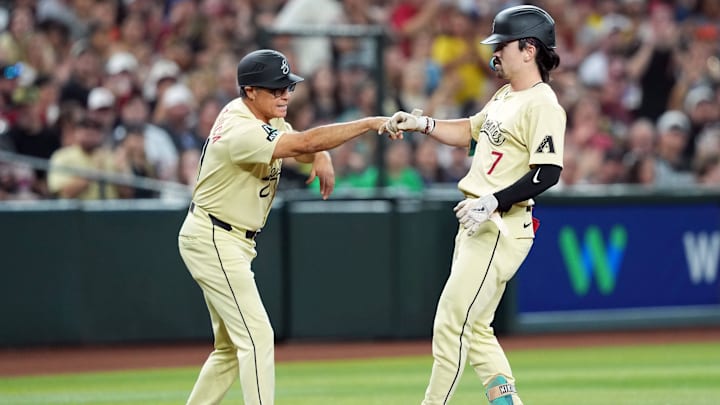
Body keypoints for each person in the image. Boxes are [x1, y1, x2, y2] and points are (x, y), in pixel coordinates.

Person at [177, 49, 389, 405]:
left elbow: (302, 148)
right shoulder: (239, 128)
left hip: (228, 237)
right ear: (250, 91)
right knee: (258, 337)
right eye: (275, 88)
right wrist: (368, 124)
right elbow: (303, 143)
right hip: (214, 236)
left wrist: (320, 155)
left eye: (287, 86)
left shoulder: (264, 116)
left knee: (230, 349)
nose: (285, 94)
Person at [383, 5, 565, 404]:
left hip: (499, 225)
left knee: (451, 322)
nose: (495, 52)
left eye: (502, 44)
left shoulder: (543, 103)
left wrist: (493, 202)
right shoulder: (505, 96)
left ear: (529, 49)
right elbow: (469, 130)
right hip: (479, 220)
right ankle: (506, 401)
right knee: (476, 327)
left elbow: (547, 173)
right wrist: (424, 124)